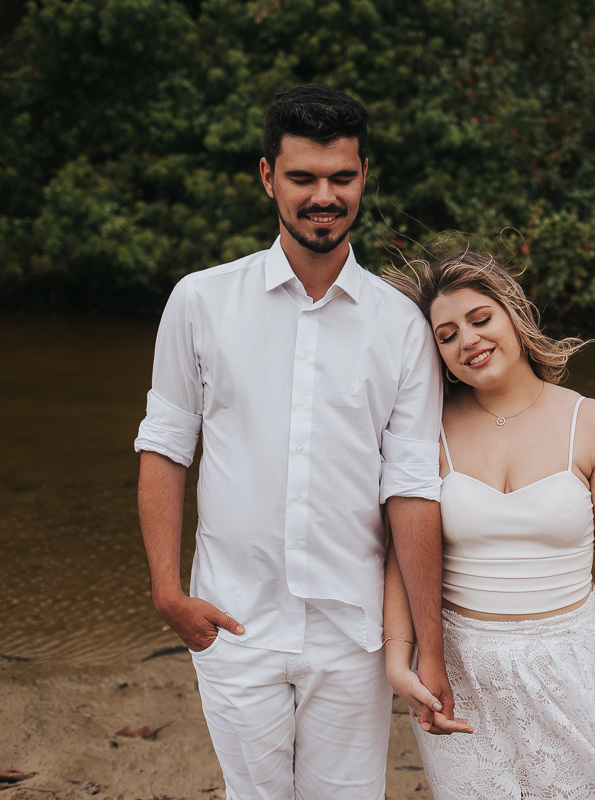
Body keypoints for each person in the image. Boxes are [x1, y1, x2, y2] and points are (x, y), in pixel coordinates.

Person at [133, 85, 458, 800]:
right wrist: (166, 592)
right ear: (267, 177)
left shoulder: (401, 327)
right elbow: (165, 445)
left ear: (364, 177)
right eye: (304, 177)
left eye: (341, 177)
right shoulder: (200, 301)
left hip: (353, 632)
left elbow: (411, 487)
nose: (323, 196)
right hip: (233, 620)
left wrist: (430, 649)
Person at [382, 248, 595, 798]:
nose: (467, 340)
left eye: (480, 319)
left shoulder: (593, 422)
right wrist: (401, 659)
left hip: (570, 658)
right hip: (461, 664)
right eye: (446, 334)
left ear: (513, 314)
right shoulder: (427, 430)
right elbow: (402, 555)